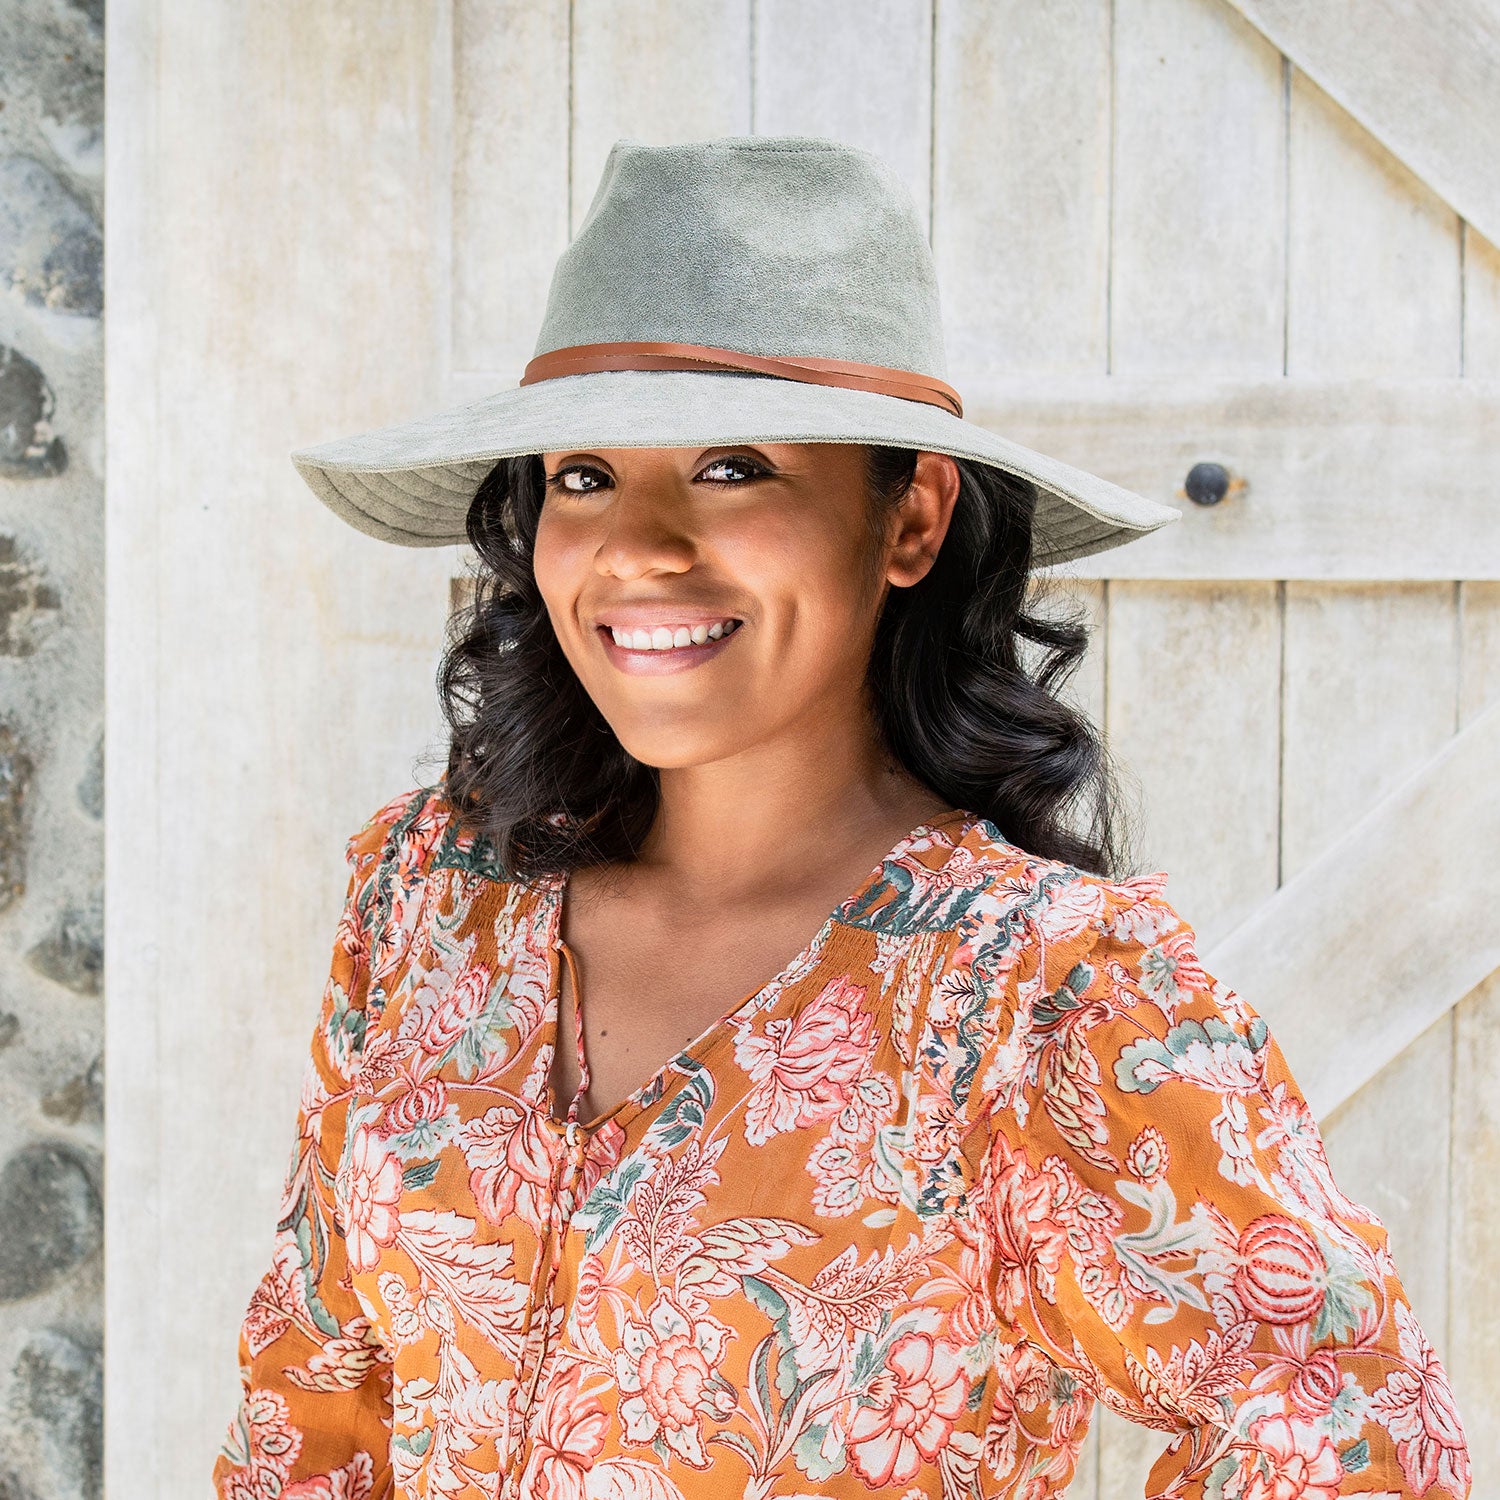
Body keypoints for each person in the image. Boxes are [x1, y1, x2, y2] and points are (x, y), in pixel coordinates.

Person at [211, 137, 1471, 1499]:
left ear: (912, 518)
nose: (638, 545)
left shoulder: (1039, 997)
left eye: (733, 466)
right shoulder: (428, 898)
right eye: (582, 476)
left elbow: (1350, 1438)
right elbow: (310, 1399)